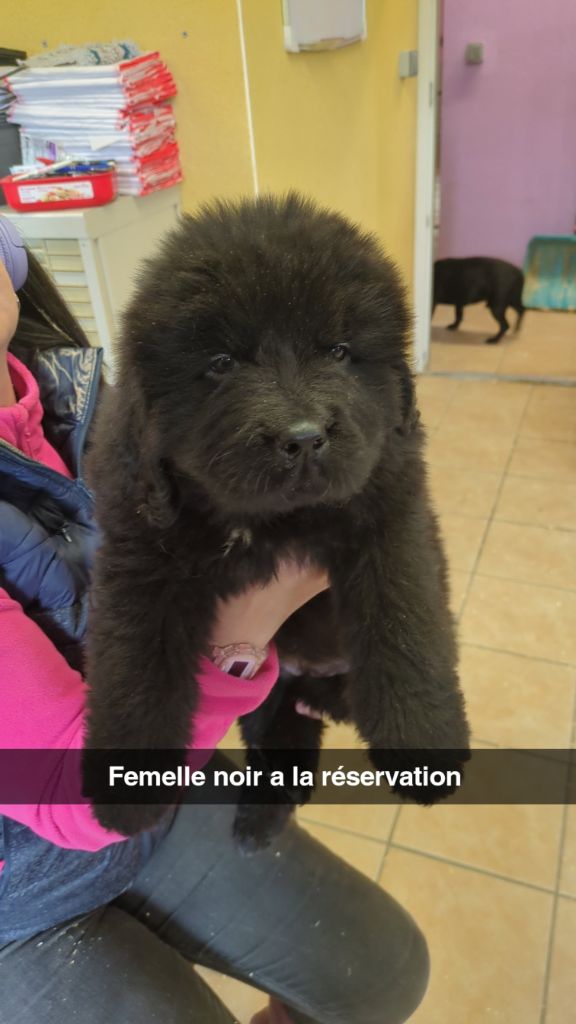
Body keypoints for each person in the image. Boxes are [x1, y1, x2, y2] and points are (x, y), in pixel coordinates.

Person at [0, 216, 429, 1024]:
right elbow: (73, 794)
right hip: (21, 883)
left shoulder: (86, 390)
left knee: (387, 970)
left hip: (157, 791)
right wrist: (246, 630)